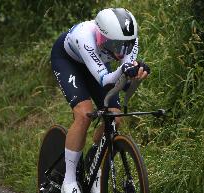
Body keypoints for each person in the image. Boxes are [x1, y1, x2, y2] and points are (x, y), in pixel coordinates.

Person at [50, 7, 150, 193]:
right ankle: (69, 181)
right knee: (83, 114)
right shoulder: (85, 36)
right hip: (68, 61)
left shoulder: (129, 40)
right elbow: (105, 80)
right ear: (102, 37)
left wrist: (135, 75)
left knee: (115, 117)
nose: (121, 51)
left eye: (125, 45)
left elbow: (123, 84)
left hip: (98, 64)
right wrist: (124, 70)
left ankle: (95, 161)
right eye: (115, 45)